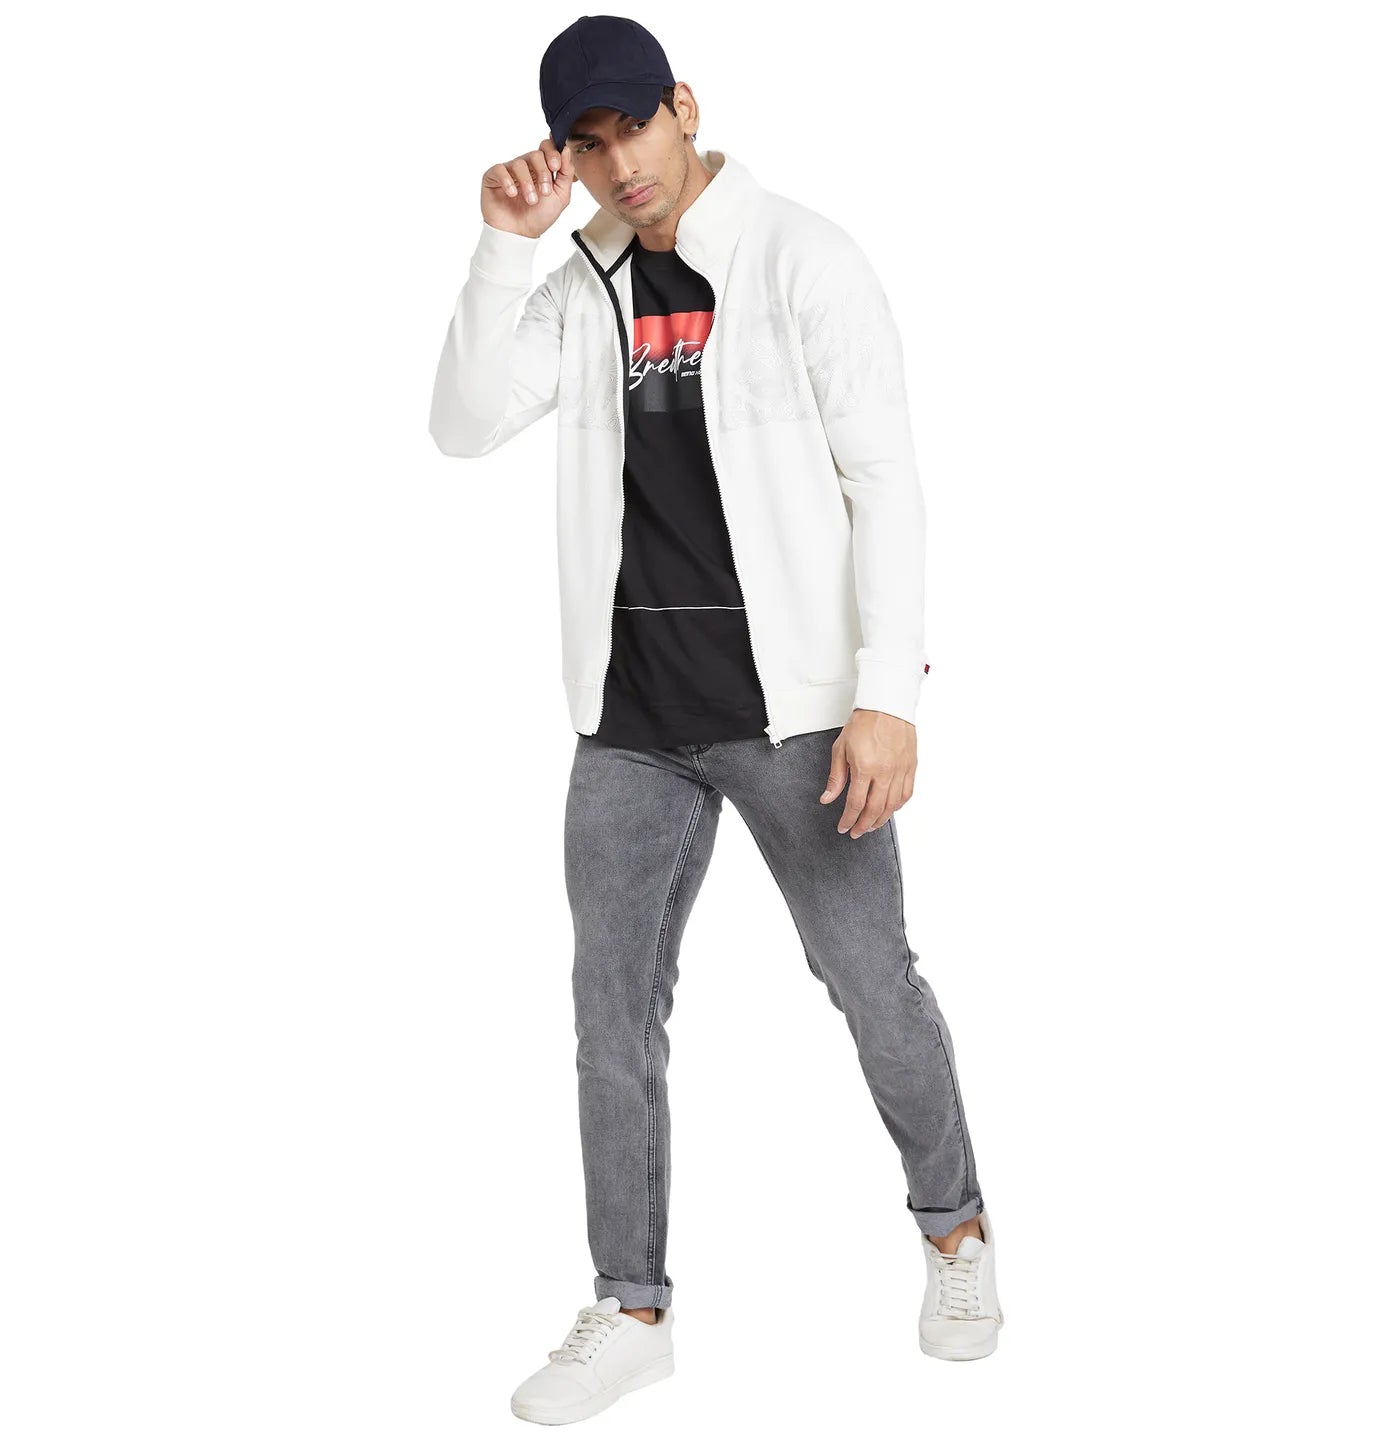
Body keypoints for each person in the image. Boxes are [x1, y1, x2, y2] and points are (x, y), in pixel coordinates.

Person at [429, 14, 1004, 1424]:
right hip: (628, 716)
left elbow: (888, 481)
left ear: (684, 107)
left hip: (793, 714)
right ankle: (632, 1309)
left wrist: (886, 696)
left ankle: (957, 1232)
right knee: (609, 1017)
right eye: (586, 144)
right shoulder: (581, 284)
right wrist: (504, 246)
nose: (618, 163)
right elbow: (463, 423)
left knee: (870, 981)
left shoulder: (806, 258)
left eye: (633, 126)